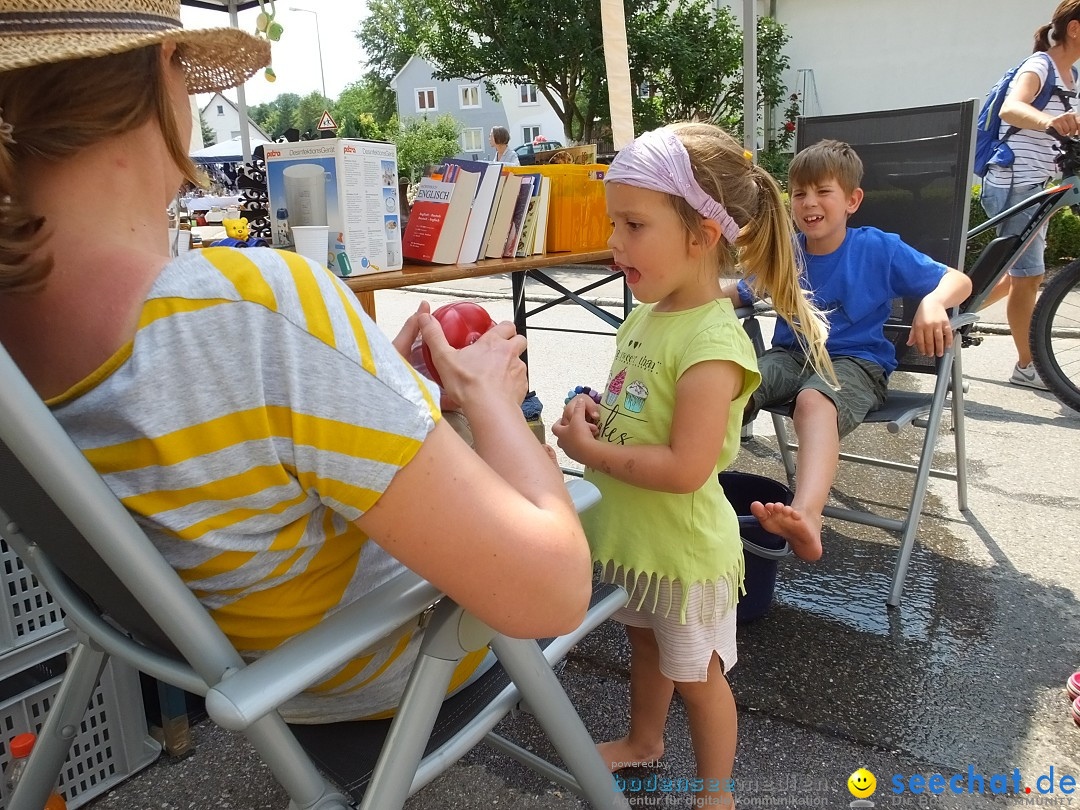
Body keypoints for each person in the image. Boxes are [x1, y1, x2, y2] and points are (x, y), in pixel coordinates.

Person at [0, 0, 592, 724]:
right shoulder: (248, 310)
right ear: (164, 73)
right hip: (385, 665)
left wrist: (360, 388)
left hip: (243, 672)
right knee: (525, 448)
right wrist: (499, 406)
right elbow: (553, 593)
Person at [551, 123, 833, 807]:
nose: (614, 243)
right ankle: (646, 743)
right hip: (640, 545)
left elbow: (684, 466)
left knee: (700, 676)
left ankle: (717, 796)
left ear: (703, 234)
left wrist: (590, 453)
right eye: (614, 222)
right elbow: (638, 409)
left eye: (634, 224)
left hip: (682, 555)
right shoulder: (646, 317)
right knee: (646, 653)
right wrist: (595, 409)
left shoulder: (711, 340)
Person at [732, 140, 972, 561]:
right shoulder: (788, 250)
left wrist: (933, 302)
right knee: (732, 383)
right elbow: (737, 292)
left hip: (856, 363)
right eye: (800, 194)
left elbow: (958, 280)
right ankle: (686, 483)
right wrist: (678, 294)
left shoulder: (877, 247)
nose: (809, 203)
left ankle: (807, 515)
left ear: (852, 200)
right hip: (790, 358)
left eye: (823, 192)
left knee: (814, 398)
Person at [979, 0, 1080, 390]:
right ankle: (1027, 366)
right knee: (1028, 275)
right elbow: (1011, 109)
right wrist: (1050, 121)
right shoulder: (1040, 65)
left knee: (1015, 275)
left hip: (1039, 183)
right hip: (1013, 180)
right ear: (1074, 28)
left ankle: (948, 315)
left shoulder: (1069, 74)